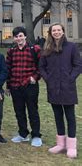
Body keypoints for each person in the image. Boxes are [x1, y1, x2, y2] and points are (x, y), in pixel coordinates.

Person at [40, 23, 81, 159]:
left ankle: (71, 146)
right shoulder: (47, 48)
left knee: (70, 117)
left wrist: (70, 78)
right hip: (53, 87)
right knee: (58, 116)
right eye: (54, 30)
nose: (56, 32)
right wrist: (48, 79)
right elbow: (42, 67)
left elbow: (78, 65)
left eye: (59, 30)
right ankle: (60, 144)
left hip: (68, 87)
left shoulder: (71, 47)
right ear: (50, 33)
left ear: (63, 32)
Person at [6, 26, 43, 147]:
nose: (18, 38)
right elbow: (8, 69)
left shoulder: (35, 49)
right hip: (15, 86)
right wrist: (8, 85)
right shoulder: (11, 51)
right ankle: (23, 134)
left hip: (30, 85)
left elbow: (41, 66)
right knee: (19, 111)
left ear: (25, 36)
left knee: (33, 111)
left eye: (20, 36)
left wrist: (35, 77)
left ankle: (36, 135)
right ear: (14, 38)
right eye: (16, 36)